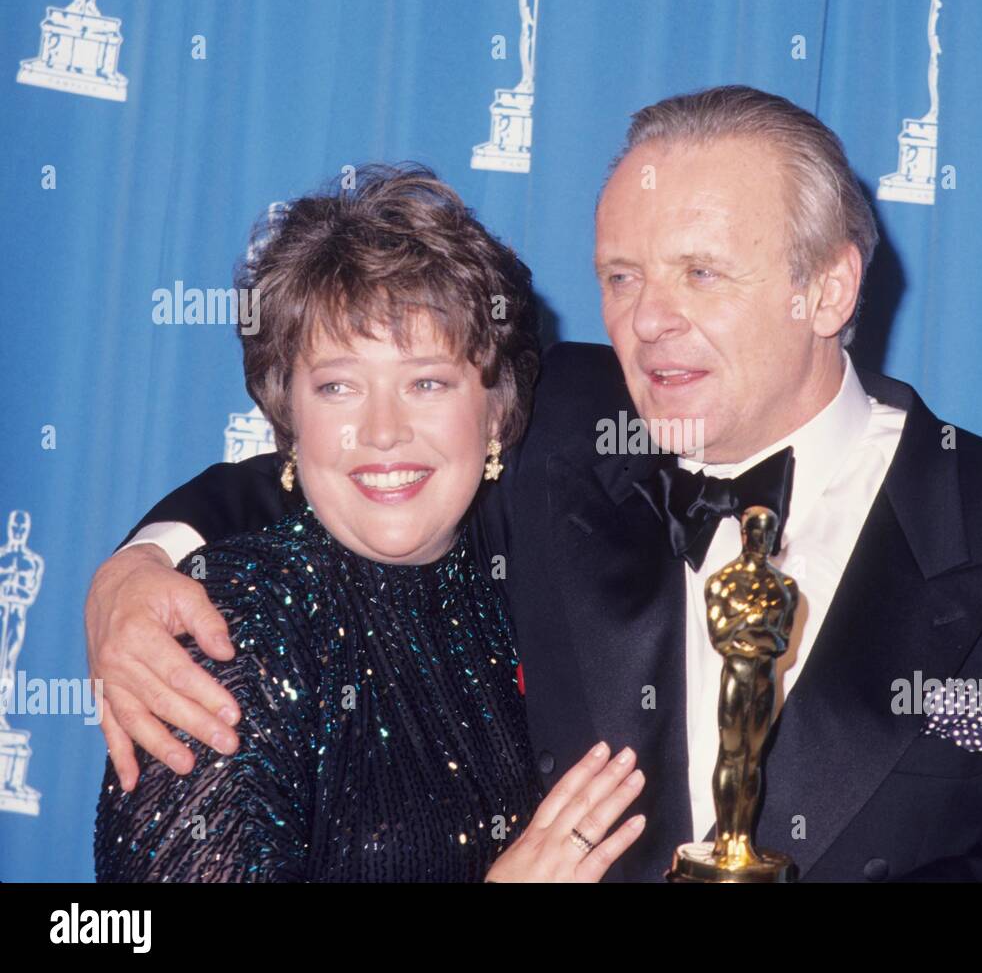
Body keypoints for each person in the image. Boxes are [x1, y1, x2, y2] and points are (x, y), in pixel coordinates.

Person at [87, 87, 982, 882]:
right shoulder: (551, 423)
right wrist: (139, 569)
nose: (650, 319)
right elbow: (330, 467)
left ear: (830, 284)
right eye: (622, 275)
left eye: (701, 272)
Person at [93, 164, 646, 882]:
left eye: (426, 382)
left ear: (499, 413)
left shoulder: (517, 587)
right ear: (290, 416)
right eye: (339, 386)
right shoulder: (222, 636)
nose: (381, 431)